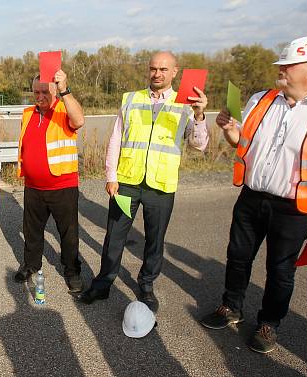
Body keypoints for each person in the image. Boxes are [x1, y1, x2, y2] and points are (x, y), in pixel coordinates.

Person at [199, 36, 307, 354]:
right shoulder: (261, 99)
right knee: (238, 257)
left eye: (289, 65)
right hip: (251, 198)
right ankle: (230, 307)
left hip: (295, 208)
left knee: (280, 269)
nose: (282, 69)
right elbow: (241, 142)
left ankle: (269, 324)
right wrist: (227, 128)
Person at [79, 51, 210, 312]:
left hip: (161, 187)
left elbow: (198, 146)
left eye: (163, 69)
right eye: (153, 68)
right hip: (127, 182)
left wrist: (198, 116)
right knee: (115, 235)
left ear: (175, 72)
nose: (157, 74)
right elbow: (116, 138)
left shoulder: (185, 104)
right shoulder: (131, 99)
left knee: (154, 239)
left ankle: (146, 285)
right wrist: (111, 175)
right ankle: (103, 283)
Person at [13, 70, 86, 293]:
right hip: (33, 186)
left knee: (68, 234)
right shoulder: (27, 113)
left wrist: (65, 90)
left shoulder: (65, 109)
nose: (40, 96)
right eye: (36, 91)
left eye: (45, 91)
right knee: (32, 231)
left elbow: (79, 120)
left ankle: (72, 271)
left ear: (55, 90)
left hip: (62, 185)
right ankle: (31, 265)